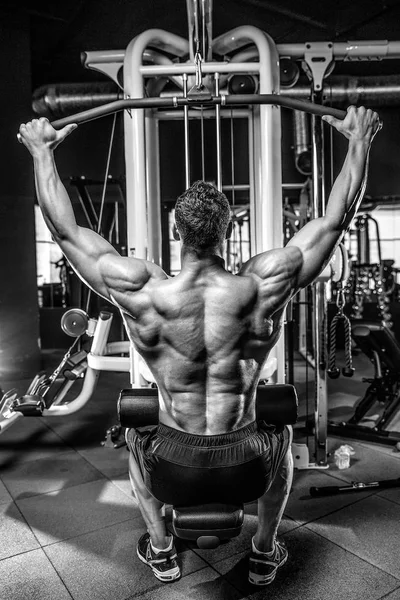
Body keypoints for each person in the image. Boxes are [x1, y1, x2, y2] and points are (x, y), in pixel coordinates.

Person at [18, 105, 380, 586]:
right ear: (227, 233)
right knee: (285, 435)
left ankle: (163, 551)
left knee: (133, 437)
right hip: (248, 463)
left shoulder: (140, 291)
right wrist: (359, 142)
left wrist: (42, 152)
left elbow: (63, 231)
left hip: (172, 465)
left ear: (175, 231)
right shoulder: (263, 285)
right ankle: (263, 550)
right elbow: (335, 223)